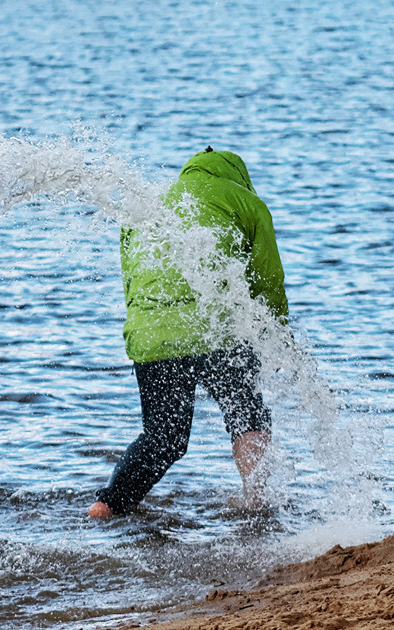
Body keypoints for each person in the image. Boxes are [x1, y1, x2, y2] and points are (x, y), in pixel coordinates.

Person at [88, 147, 289, 518]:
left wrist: (144, 331)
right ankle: (256, 501)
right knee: (247, 413)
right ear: (237, 176)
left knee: (164, 438)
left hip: (152, 335)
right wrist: (277, 338)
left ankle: (107, 506)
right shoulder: (246, 202)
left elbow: (132, 279)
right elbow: (269, 281)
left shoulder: (145, 204)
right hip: (218, 329)